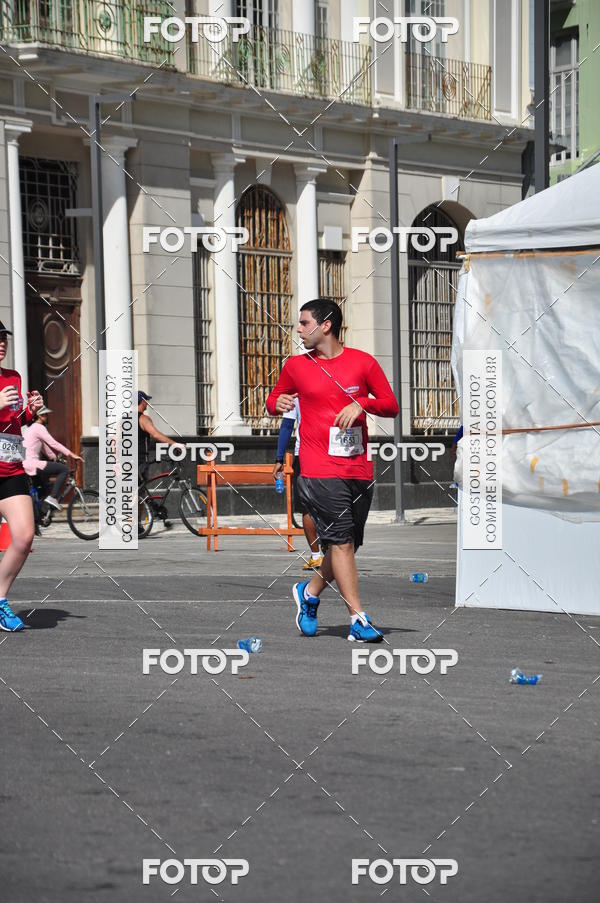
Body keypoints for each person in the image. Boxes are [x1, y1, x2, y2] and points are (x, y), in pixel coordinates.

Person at [266, 299, 399, 643]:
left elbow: (391, 405)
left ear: (326, 325)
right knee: (340, 543)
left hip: (357, 467)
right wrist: (275, 402)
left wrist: (362, 403)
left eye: (304, 322)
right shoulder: (296, 366)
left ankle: (309, 593)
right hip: (318, 468)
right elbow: (275, 399)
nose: (298, 329)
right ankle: (358, 618)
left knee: (348, 545)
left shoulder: (362, 363)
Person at [0, 321, 44, 631]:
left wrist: (30, 411)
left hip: (11, 469)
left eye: (3, 338)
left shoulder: (12, 377)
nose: (2, 343)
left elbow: (13, 421)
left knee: (24, 535)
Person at [273, 396, 323, 570]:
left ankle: (317, 556)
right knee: (332, 502)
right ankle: (336, 549)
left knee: (307, 507)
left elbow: (287, 425)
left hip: (305, 454)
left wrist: (279, 458)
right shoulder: (334, 382)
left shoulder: (295, 394)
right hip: (332, 453)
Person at [23, 404, 82, 511]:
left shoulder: (31, 429)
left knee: (42, 490)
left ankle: (40, 516)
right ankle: (53, 497)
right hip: (33, 464)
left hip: (25, 464)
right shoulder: (39, 427)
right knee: (63, 469)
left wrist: (54, 457)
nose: (47, 416)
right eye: (45, 414)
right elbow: (53, 443)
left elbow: (45, 448)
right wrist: (72, 454)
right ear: (39, 415)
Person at [137, 390, 183, 480]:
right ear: (142, 402)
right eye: (146, 401)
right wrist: (175, 444)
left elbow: (115, 441)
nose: (147, 403)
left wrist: (116, 462)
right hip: (139, 462)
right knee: (138, 491)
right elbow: (156, 435)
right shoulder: (143, 419)